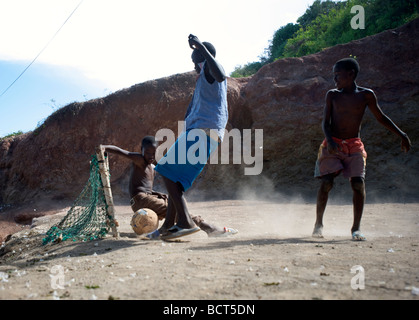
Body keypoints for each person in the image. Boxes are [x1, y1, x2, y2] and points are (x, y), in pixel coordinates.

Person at [313, 58, 411, 241]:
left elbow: (381, 117)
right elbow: (325, 123)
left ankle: (356, 229)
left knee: (358, 183)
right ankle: (318, 224)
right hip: (333, 143)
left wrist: (402, 134)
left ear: (351, 74)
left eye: (338, 75)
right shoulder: (332, 95)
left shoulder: (366, 95)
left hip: (354, 145)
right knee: (326, 182)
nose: (335, 79)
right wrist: (329, 140)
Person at [154, 34, 229, 240]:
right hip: (203, 133)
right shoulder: (205, 80)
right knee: (176, 182)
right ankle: (168, 226)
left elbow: (220, 74)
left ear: (200, 60)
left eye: (194, 63)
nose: (194, 68)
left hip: (202, 132)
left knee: (165, 170)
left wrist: (201, 48)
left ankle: (185, 223)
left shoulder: (211, 70)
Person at [101, 137, 237, 239]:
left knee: (175, 204)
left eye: (153, 153)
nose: (150, 156)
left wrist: (160, 195)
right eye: (147, 152)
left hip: (148, 198)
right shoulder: (139, 160)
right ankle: (209, 228)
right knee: (177, 209)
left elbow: (147, 188)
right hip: (140, 200)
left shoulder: (153, 167)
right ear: (141, 150)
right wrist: (104, 148)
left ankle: (169, 229)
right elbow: (120, 151)